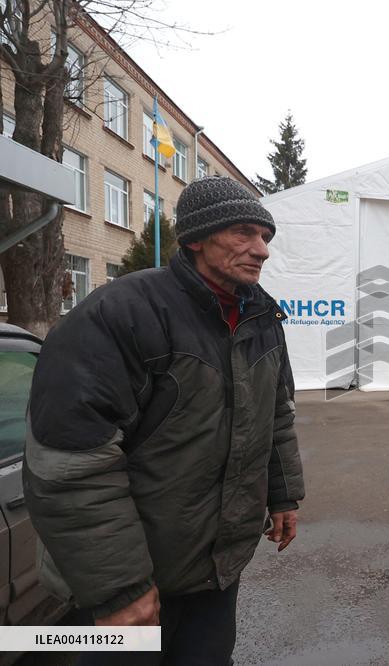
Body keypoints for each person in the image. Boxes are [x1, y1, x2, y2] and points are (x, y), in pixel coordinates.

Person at [23, 176, 305, 665]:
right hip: (135, 585)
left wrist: (284, 496)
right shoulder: (120, 314)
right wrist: (120, 588)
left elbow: (275, 416)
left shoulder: (261, 319)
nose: (261, 250)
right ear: (196, 237)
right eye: (244, 232)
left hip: (216, 571)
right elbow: (73, 463)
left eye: (266, 237)